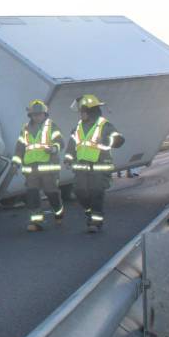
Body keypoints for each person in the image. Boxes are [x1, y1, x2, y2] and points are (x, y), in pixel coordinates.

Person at [63, 94, 125, 233]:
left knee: (96, 193)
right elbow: (72, 145)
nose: (81, 114)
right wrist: (68, 158)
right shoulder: (78, 127)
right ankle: (90, 211)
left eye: (83, 112)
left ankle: (95, 222)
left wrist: (104, 141)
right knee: (80, 193)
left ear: (91, 111)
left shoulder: (104, 125)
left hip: (99, 168)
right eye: (80, 112)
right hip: (81, 168)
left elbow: (120, 140)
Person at [12, 99, 64, 231]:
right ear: (30, 116)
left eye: (40, 114)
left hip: (48, 169)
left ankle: (58, 211)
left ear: (45, 114)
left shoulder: (52, 126)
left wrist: (53, 148)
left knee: (51, 193)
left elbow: (60, 142)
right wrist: (15, 164)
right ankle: (35, 222)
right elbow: (19, 148)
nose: (37, 117)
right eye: (34, 115)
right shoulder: (25, 129)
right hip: (31, 170)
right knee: (32, 194)